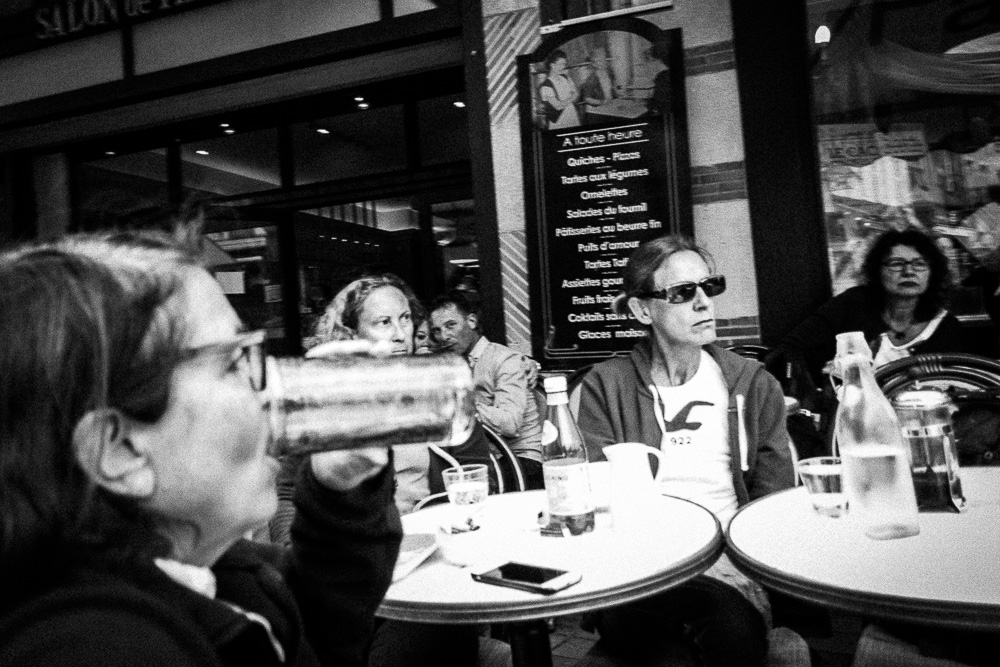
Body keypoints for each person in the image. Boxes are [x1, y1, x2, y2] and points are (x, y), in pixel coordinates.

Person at [0, 226, 401, 667]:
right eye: (233, 362)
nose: (271, 394)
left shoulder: (218, 572)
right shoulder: (101, 649)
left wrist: (339, 489)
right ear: (119, 452)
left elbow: (314, 639)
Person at [576, 234, 797, 667]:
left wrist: (737, 565)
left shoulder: (754, 385)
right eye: (682, 292)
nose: (703, 302)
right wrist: (688, 565)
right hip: (639, 570)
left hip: (730, 565)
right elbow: (597, 501)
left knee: (708, 639)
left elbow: (773, 501)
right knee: (681, 642)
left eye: (709, 286)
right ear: (642, 310)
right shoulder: (605, 386)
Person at [776, 228, 964, 404]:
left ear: (932, 272)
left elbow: (961, 385)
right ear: (877, 270)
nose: (909, 271)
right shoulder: (852, 304)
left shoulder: (945, 326)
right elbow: (792, 349)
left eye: (920, 264)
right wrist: (822, 378)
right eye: (896, 264)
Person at [429, 290, 544, 490]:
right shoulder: (453, 364)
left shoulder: (505, 360)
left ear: (472, 321)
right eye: (437, 330)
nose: (444, 336)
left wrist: (461, 407)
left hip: (520, 461)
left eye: (451, 325)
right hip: (486, 460)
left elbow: (510, 423)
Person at [538, 49, 581, 130]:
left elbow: (577, 93)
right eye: (561, 64)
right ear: (552, 65)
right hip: (559, 121)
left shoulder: (565, 77)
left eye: (564, 64)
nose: (563, 67)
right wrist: (572, 97)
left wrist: (566, 101)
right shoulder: (546, 86)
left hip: (572, 115)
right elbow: (557, 106)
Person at [579, 46, 615, 124]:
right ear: (594, 64)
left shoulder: (608, 73)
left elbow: (610, 90)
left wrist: (616, 94)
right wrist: (602, 102)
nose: (603, 62)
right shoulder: (591, 79)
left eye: (603, 59)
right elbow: (587, 98)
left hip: (608, 108)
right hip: (596, 112)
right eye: (599, 61)